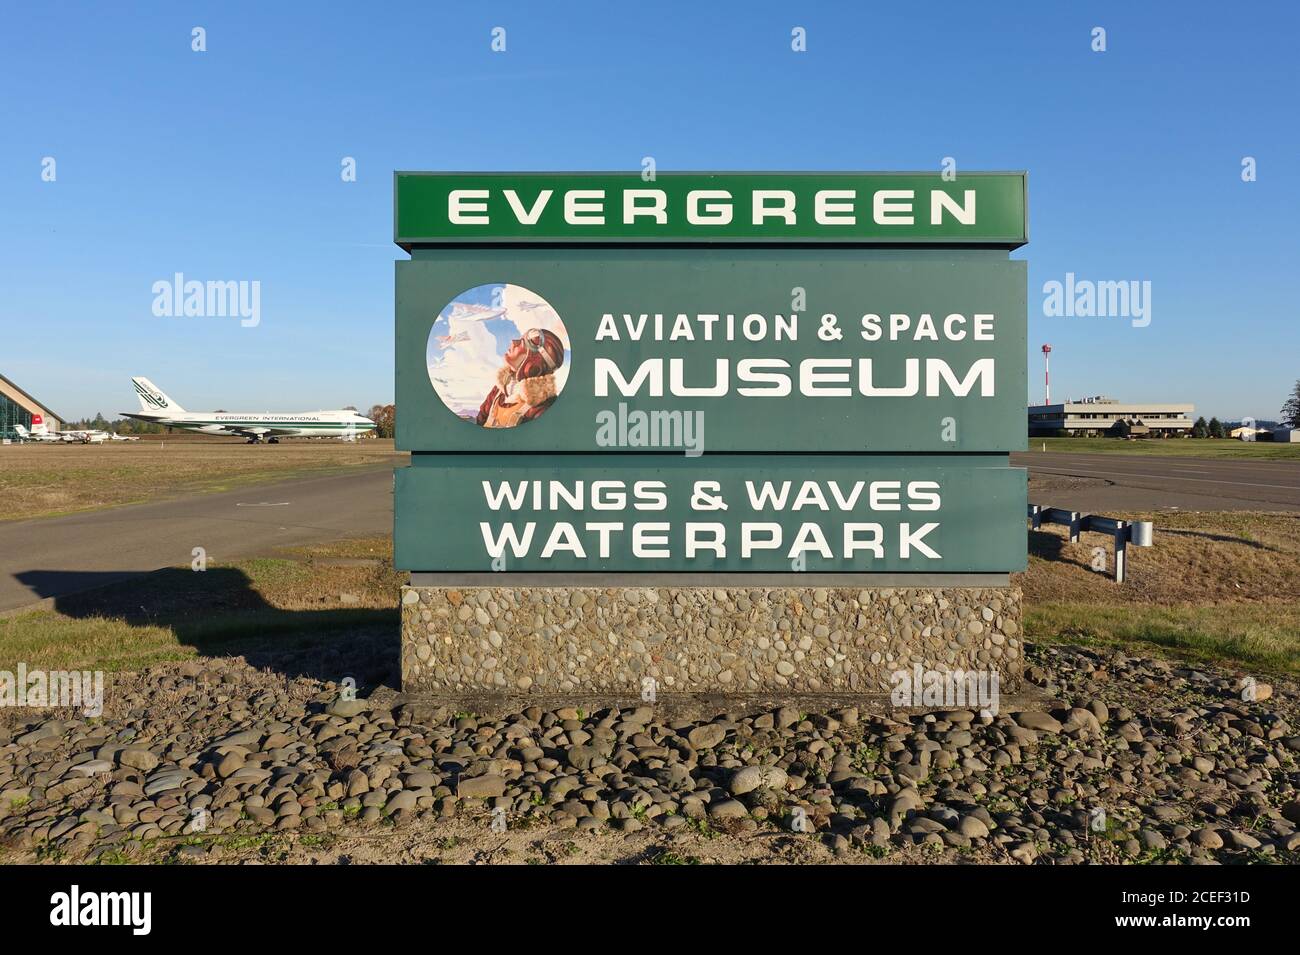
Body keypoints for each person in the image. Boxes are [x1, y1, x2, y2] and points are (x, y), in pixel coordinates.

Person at [476, 327, 565, 428]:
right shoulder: (499, 390)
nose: (513, 342)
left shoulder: (544, 407)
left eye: (522, 343)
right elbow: (481, 420)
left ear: (532, 367)